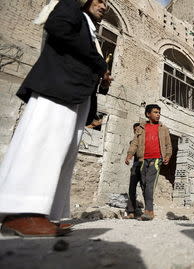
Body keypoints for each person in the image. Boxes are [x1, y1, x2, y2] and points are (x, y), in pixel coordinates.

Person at [0, 0, 112, 237]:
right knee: (44, 144)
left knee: (63, 152)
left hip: (75, 93)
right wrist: (99, 62)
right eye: (101, 0)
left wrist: (100, 73)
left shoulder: (89, 26)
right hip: (59, 87)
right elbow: (58, 28)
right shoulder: (70, 7)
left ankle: (47, 213)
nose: (105, 6)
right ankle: (21, 212)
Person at [125, 104, 172, 221]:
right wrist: (129, 154)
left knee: (150, 184)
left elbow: (168, 144)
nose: (158, 115)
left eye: (159, 112)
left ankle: (149, 211)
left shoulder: (163, 128)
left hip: (156, 159)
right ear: (148, 114)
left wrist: (167, 155)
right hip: (142, 160)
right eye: (155, 112)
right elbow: (135, 143)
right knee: (144, 184)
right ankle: (142, 210)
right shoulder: (141, 128)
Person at [124, 123, 143, 219]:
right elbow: (132, 149)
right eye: (135, 130)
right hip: (135, 167)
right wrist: (128, 157)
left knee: (146, 189)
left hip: (145, 167)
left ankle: (148, 211)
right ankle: (131, 212)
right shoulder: (133, 142)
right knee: (132, 189)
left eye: (138, 129)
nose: (136, 131)